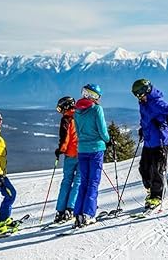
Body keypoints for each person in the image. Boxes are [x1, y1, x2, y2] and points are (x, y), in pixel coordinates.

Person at [132, 79, 168, 209]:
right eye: (135, 95)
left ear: (146, 90)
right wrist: (143, 128)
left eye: (139, 94)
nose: (138, 97)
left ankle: (157, 195)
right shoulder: (143, 103)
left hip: (160, 141)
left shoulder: (157, 102)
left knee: (156, 169)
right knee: (143, 168)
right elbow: (145, 119)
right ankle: (151, 190)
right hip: (149, 141)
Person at [73, 83, 110, 228]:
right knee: (93, 182)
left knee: (84, 182)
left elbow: (77, 131)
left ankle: (79, 214)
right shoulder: (96, 109)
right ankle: (88, 214)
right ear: (94, 96)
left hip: (82, 149)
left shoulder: (77, 111)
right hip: (96, 149)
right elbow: (102, 130)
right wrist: (108, 140)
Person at [53, 96, 80, 223]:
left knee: (67, 181)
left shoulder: (66, 119)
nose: (61, 112)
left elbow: (65, 138)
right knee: (78, 181)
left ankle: (61, 210)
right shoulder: (81, 115)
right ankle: (71, 208)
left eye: (61, 109)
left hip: (70, 154)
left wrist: (60, 150)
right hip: (83, 153)